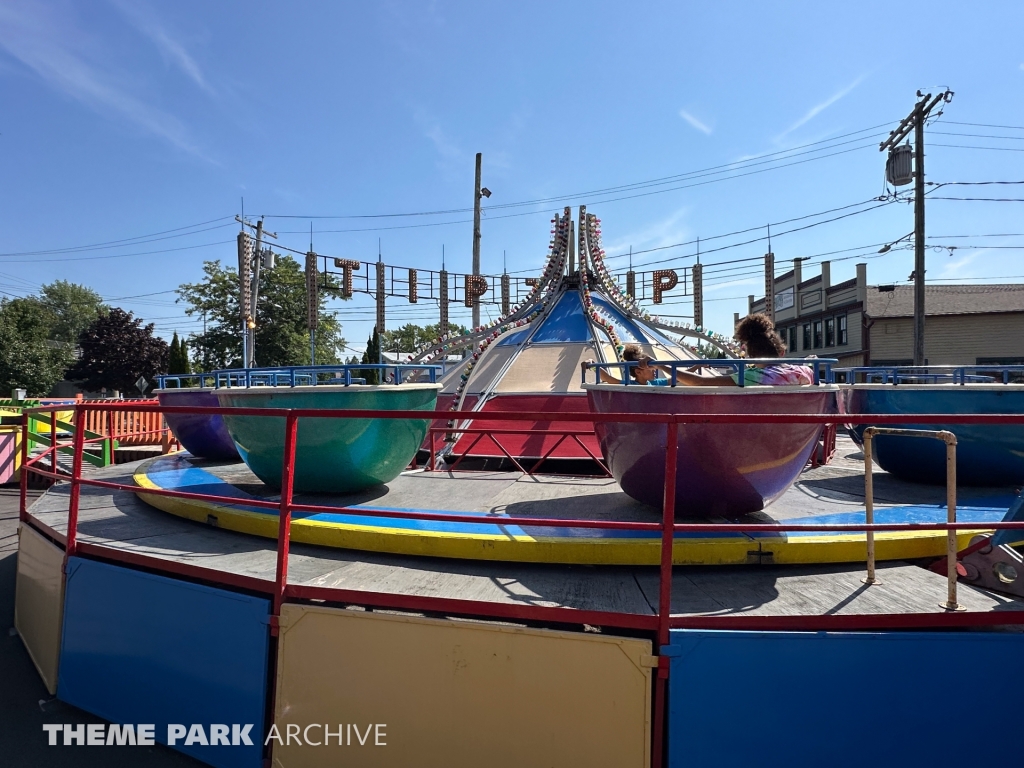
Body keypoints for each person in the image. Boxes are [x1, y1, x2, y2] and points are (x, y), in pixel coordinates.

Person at [580, 313, 814, 386]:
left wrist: (663, 364)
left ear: (750, 355)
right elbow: (612, 380)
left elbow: (695, 382)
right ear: (781, 352)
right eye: (646, 367)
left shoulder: (752, 376)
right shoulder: (803, 372)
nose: (651, 370)